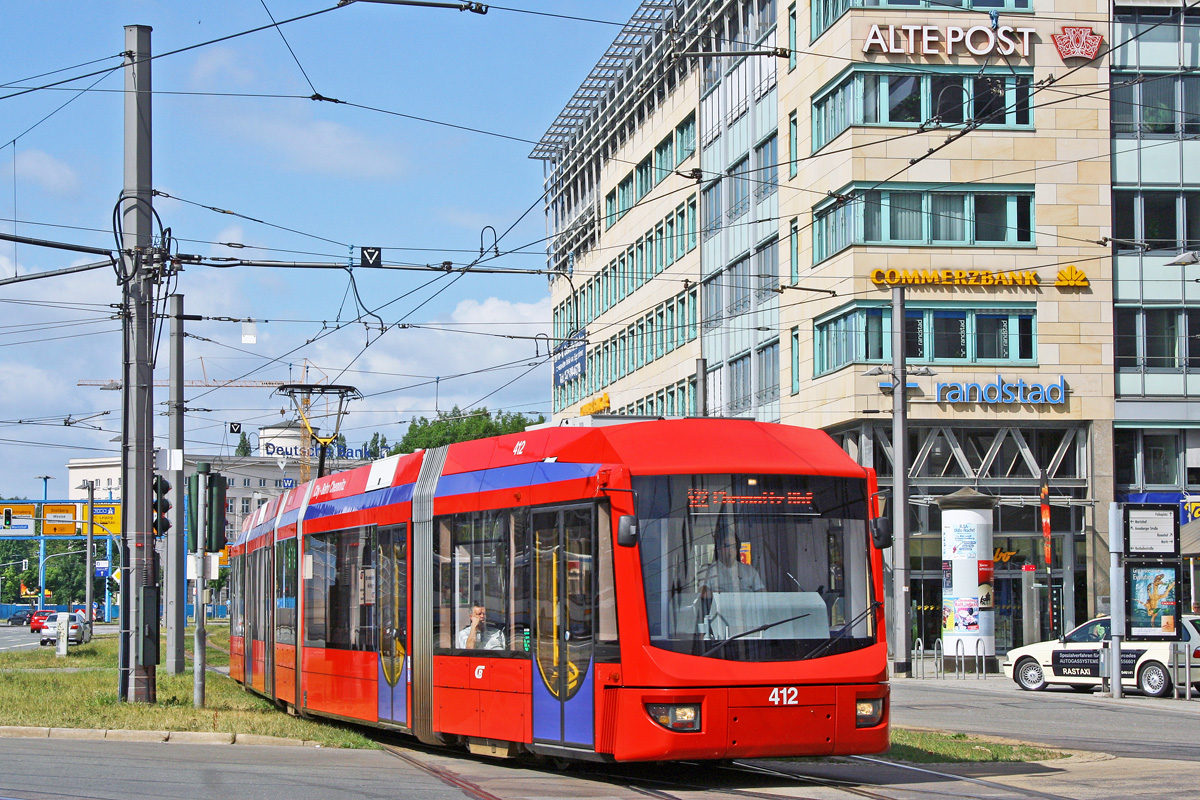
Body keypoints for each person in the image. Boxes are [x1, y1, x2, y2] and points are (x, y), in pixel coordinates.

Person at [698, 526, 765, 595]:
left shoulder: (749, 570)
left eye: (733, 547)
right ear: (718, 548)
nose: (730, 550)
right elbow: (703, 594)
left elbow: (763, 594)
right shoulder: (708, 570)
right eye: (727, 546)